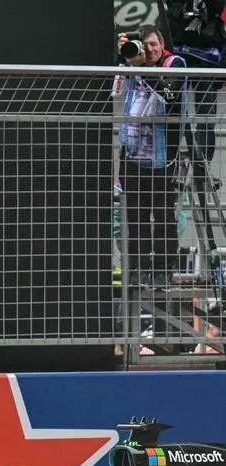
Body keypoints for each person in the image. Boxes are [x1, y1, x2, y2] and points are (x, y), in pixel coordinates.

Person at [115, 26, 191, 290]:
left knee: (162, 216)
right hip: (132, 154)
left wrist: (142, 68)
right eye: (143, 45)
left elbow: (169, 94)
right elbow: (114, 87)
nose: (148, 50)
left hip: (162, 158)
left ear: (162, 44)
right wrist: (123, 54)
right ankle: (137, 268)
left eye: (152, 44)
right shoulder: (132, 63)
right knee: (134, 216)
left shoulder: (175, 63)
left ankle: (161, 270)